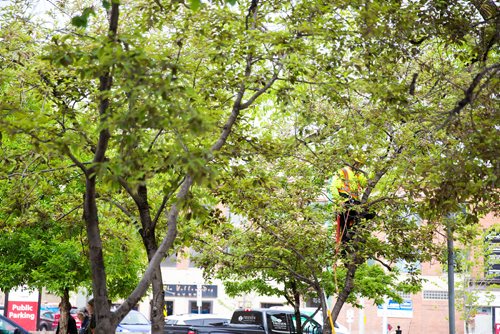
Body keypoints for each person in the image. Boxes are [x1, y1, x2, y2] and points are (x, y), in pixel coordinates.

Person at [331, 159, 374, 245]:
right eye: (358, 164)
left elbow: (365, 183)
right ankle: (345, 243)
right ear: (354, 163)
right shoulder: (343, 171)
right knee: (358, 214)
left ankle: (347, 240)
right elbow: (333, 187)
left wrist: (374, 171)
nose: (359, 167)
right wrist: (339, 200)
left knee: (366, 215)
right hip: (345, 202)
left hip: (354, 202)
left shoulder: (357, 174)